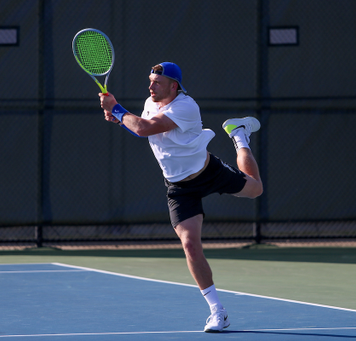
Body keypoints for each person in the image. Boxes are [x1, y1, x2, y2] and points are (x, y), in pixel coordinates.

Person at [99, 62, 263, 332]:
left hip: (207, 172)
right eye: (150, 81)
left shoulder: (186, 106)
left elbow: (142, 128)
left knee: (255, 189)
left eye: (157, 83)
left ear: (174, 86)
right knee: (190, 245)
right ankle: (218, 311)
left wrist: (117, 108)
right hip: (179, 187)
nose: (151, 86)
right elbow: (141, 129)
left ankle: (239, 135)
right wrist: (119, 120)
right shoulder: (150, 103)